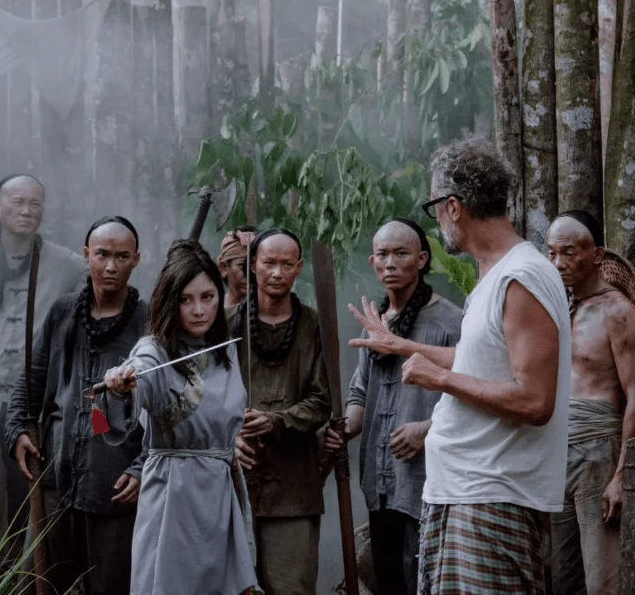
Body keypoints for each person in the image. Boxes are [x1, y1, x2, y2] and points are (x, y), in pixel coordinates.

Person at [350, 137, 571, 595]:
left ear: (453, 207)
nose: (437, 221)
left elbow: (535, 400)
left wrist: (440, 380)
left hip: (492, 497)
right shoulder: (493, 274)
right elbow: (482, 361)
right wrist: (401, 346)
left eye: (434, 208)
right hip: (463, 492)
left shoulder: (521, 276)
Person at [102, 240, 259, 595]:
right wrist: (122, 385)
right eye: (185, 300)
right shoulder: (154, 350)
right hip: (174, 491)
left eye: (208, 297)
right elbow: (140, 374)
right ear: (169, 302)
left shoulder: (225, 350)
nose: (199, 310)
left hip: (219, 490)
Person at [3, 216, 147, 595]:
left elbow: (168, 408)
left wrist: (141, 467)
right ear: (86, 255)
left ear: (136, 260)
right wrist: (17, 428)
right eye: (102, 254)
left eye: (122, 256)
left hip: (115, 485)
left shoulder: (148, 322)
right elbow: (32, 377)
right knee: (39, 585)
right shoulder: (64, 311)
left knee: (111, 586)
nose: (111, 266)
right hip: (56, 474)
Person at [325, 219, 462, 595]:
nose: (390, 263)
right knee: (388, 582)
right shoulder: (375, 323)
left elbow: (472, 394)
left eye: (401, 253)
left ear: (421, 259)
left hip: (427, 481)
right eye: (382, 255)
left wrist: (427, 429)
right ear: (372, 261)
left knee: (424, 581)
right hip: (379, 480)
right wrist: (344, 428)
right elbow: (360, 393)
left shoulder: (451, 322)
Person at [0, 174, 86, 545]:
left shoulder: (69, 265)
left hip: (32, 402)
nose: (27, 211)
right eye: (17, 202)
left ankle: (17, 562)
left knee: (23, 487)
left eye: (34, 204)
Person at [545, 211, 635, 595]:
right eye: (552, 253)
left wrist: (621, 475)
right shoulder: (558, 308)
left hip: (598, 452)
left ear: (597, 254)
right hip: (556, 452)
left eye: (569, 252)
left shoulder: (617, 311)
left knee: (602, 578)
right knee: (562, 577)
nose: (559, 263)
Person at [230, 228, 332, 595]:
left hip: (294, 488)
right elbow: (202, 398)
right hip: (231, 483)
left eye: (286, 264)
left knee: (291, 586)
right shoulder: (224, 323)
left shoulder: (316, 325)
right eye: (268, 263)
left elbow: (324, 400)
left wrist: (277, 421)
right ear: (252, 265)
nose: (277, 273)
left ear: (299, 268)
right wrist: (230, 435)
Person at [218, 226, 258, 310]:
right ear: (223, 268)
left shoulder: (271, 311)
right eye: (242, 265)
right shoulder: (213, 310)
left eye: (255, 266)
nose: (250, 273)